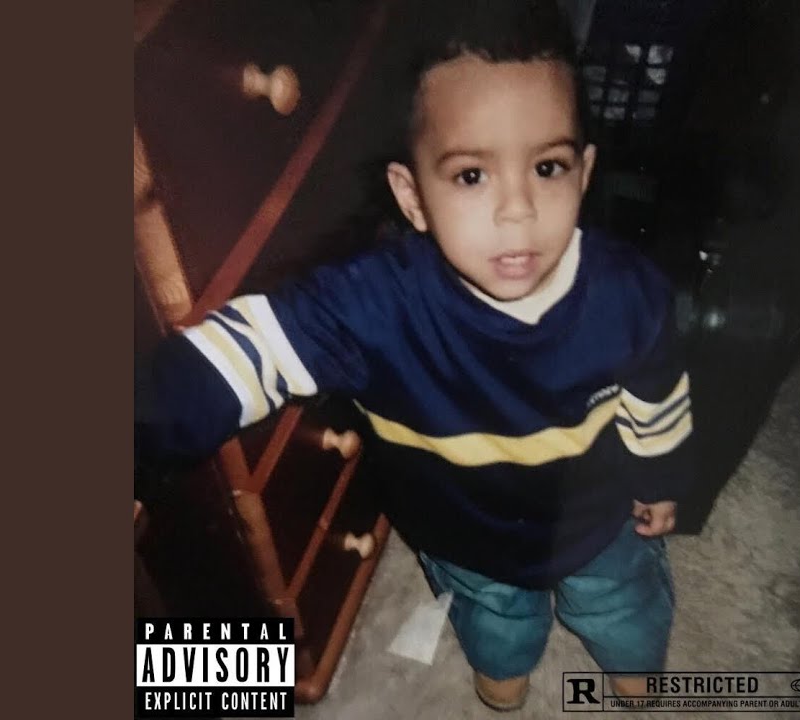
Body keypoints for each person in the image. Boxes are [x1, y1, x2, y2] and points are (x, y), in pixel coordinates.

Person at [136, 0, 694, 710]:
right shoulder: (371, 304)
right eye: (471, 176)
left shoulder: (628, 294)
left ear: (583, 174)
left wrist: (660, 477)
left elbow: (656, 395)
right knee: (493, 619)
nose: (518, 209)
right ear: (413, 197)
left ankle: (633, 661)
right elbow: (244, 353)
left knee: (623, 603)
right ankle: (504, 664)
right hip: (464, 537)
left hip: (596, 519)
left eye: (547, 166)